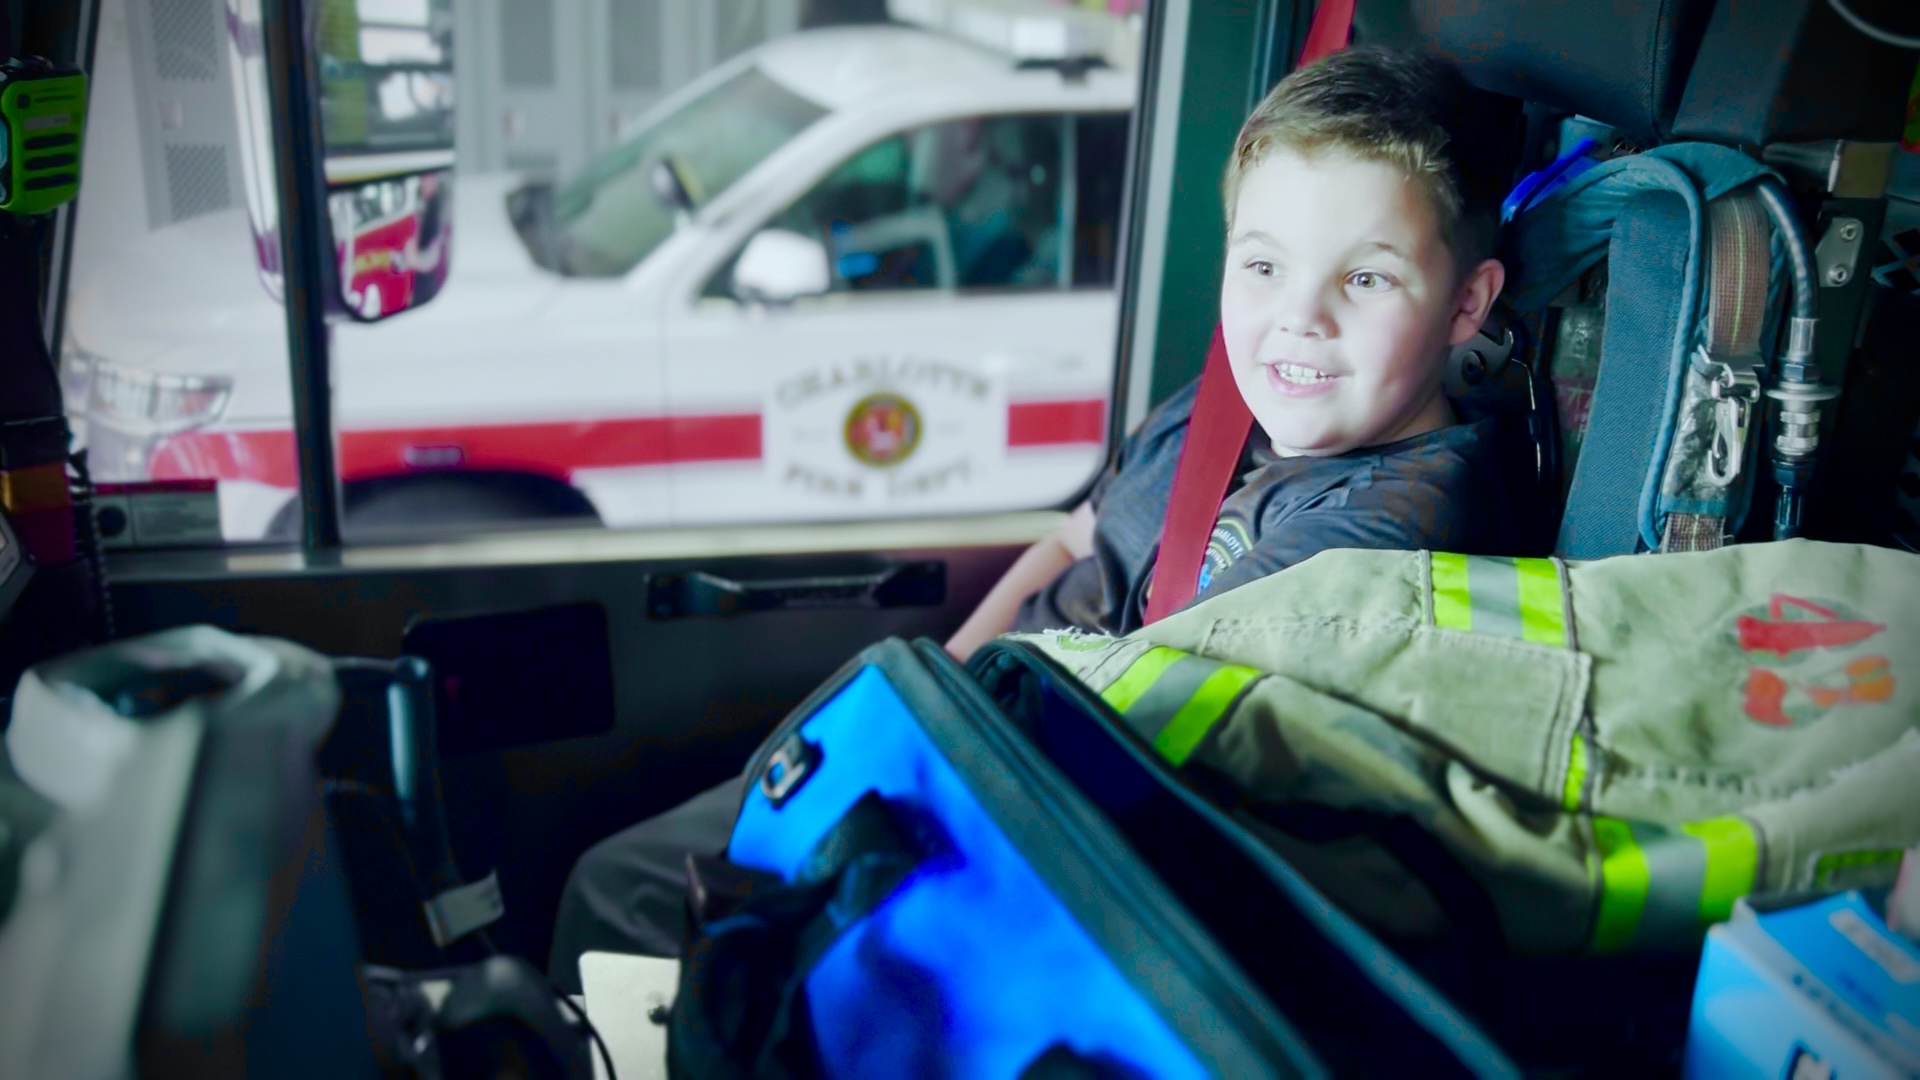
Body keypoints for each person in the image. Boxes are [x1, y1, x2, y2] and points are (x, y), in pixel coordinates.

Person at [549, 45, 1517, 991]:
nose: (1299, 318)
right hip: (973, 743)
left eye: (1368, 279)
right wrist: (941, 682)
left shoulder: (1394, 528)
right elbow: (1072, 538)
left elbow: (1148, 737)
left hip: (1048, 841)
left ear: (1467, 302)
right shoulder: (1228, 404)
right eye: (1263, 266)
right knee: (620, 885)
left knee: (642, 907)